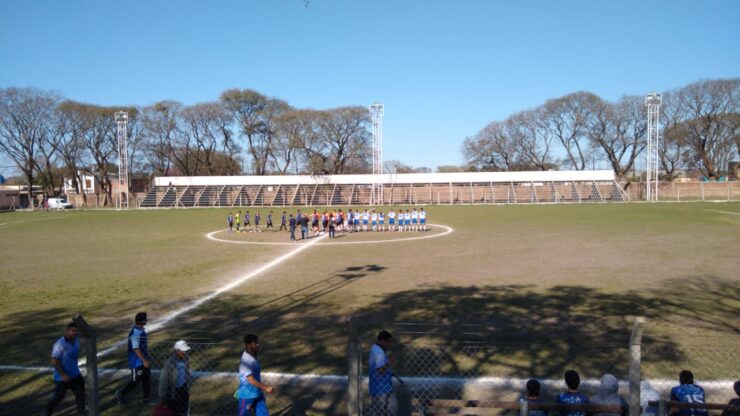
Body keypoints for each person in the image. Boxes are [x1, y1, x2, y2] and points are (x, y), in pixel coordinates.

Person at [45, 322, 86, 416]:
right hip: (62, 378)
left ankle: (81, 412)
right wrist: (63, 374)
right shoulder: (59, 345)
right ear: (67, 331)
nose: (75, 333)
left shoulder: (75, 340)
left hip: (75, 375)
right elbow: (54, 362)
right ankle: (47, 412)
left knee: (80, 394)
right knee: (58, 397)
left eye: (76, 331)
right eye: (73, 331)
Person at [117, 312, 152, 406]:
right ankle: (121, 393)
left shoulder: (140, 330)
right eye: (145, 319)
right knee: (136, 379)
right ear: (143, 321)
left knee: (146, 378)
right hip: (136, 362)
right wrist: (144, 361)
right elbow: (135, 348)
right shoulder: (134, 333)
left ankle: (146, 398)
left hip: (143, 359)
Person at [237, 334, 273, 416]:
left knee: (263, 413)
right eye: (255, 343)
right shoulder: (246, 360)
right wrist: (265, 388)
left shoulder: (253, 354)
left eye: (257, 342)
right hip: (247, 394)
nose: (258, 344)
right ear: (248, 345)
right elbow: (250, 379)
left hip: (257, 392)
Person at [158, 340, 191, 416]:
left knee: (184, 410)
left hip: (183, 389)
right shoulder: (170, 363)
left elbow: (186, 373)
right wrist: (162, 396)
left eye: (186, 351)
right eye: (183, 351)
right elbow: (163, 380)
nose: (185, 352)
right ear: (177, 351)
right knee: (173, 411)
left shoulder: (186, 359)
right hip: (174, 393)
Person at [368, 330, 397, 415]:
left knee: (389, 409)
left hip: (382, 387)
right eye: (388, 342)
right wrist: (390, 363)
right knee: (384, 410)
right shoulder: (379, 352)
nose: (389, 345)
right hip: (381, 388)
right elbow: (380, 370)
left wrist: (389, 372)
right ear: (382, 340)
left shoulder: (375, 348)